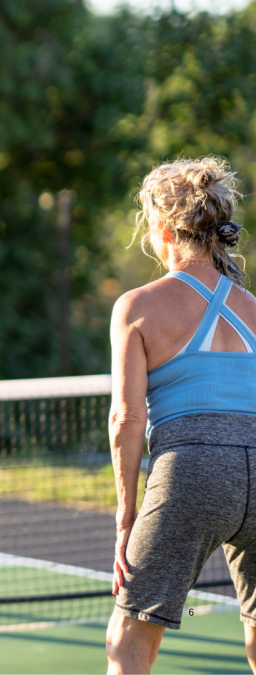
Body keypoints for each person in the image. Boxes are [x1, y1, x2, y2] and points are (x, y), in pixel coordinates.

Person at [108, 157, 256, 674]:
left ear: (166, 228)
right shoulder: (254, 305)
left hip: (190, 472)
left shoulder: (138, 306)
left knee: (128, 639)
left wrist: (126, 517)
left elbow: (126, 419)